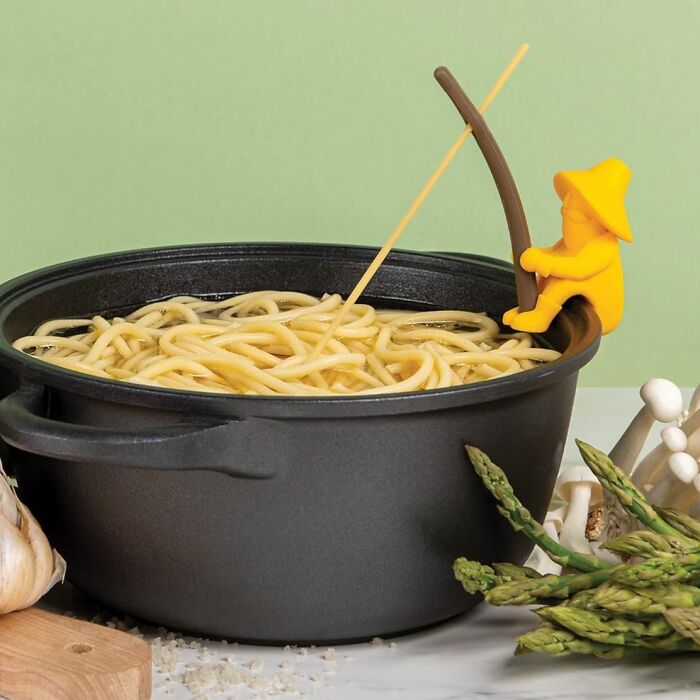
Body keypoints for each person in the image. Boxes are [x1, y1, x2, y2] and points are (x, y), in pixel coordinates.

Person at [504, 157, 632, 335]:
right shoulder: (574, 242)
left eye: (575, 212)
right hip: (573, 304)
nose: (567, 211)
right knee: (549, 278)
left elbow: (579, 269)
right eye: (566, 208)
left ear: (600, 219)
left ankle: (541, 317)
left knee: (564, 282)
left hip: (600, 314)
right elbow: (556, 252)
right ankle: (527, 308)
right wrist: (535, 254)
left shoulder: (605, 247)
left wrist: (543, 262)